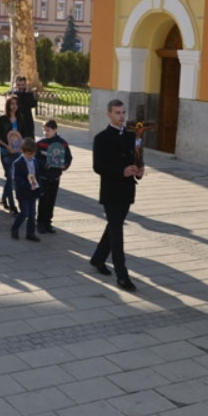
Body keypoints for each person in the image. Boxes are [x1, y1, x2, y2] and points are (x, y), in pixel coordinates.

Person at [90, 100, 142, 292]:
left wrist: (139, 171)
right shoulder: (101, 138)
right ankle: (122, 275)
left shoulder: (131, 135)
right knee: (117, 233)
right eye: (117, 113)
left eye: (123, 112)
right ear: (109, 114)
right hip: (111, 191)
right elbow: (98, 167)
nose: (121, 117)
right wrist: (122, 171)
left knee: (114, 226)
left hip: (127, 191)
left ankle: (98, 258)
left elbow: (137, 158)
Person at [35, 119, 72, 234]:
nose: (46, 132)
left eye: (49, 130)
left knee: (51, 200)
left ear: (55, 130)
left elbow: (68, 157)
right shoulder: (40, 143)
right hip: (44, 177)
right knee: (43, 200)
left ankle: (48, 223)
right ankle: (40, 223)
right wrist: (43, 164)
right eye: (44, 130)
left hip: (55, 177)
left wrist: (64, 165)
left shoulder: (62, 144)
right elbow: (35, 158)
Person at [0, 95, 21, 215]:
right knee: (10, 177)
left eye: (15, 104)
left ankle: (4, 198)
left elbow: (24, 135)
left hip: (18, 152)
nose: (13, 106)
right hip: (6, 152)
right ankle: (12, 206)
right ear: (8, 105)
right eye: (11, 103)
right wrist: (6, 145)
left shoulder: (21, 119)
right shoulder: (2, 119)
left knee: (12, 178)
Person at [11, 138, 42, 242]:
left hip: (33, 191)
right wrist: (27, 185)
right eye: (28, 154)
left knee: (32, 214)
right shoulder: (18, 163)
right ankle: (15, 228)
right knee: (24, 213)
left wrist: (38, 186)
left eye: (32, 154)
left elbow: (37, 175)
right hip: (23, 192)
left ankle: (30, 233)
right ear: (22, 151)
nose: (31, 156)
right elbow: (17, 178)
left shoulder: (35, 161)